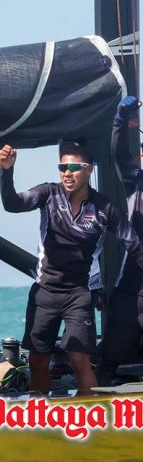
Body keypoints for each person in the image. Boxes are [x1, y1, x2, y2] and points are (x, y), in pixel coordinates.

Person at [0, 141, 143, 394]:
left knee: (79, 360)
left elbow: (135, 246)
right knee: (38, 361)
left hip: (79, 295)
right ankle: (38, 412)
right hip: (44, 292)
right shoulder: (48, 194)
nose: (67, 173)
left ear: (89, 170)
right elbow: (12, 204)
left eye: (74, 167)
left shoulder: (105, 208)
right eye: (62, 167)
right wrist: (6, 171)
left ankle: (91, 413)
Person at [96, 96, 143, 385]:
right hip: (131, 290)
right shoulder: (135, 182)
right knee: (109, 359)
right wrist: (120, 120)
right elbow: (119, 153)